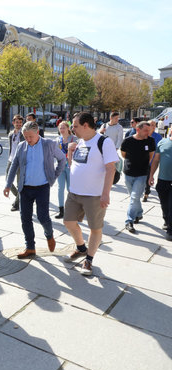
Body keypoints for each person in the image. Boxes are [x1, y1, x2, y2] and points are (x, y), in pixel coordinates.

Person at [63, 112, 118, 275]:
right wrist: (70, 153)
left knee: (95, 228)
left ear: (85, 125)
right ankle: (81, 248)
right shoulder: (80, 142)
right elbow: (74, 165)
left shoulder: (103, 142)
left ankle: (89, 260)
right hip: (74, 192)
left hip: (94, 194)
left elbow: (111, 169)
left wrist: (106, 193)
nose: (72, 129)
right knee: (68, 222)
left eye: (75, 126)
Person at [3, 121, 65, 258]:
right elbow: (14, 166)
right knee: (25, 219)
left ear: (37, 133)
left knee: (43, 217)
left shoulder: (49, 144)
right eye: (25, 136)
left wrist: (54, 176)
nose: (28, 139)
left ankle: (49, 235)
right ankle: (30, 247)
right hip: (25, 189)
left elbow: (62, 159)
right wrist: (8, 184)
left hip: (42, 188)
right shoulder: (21, 146)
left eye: (30, 136)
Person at [120, 121, 155, 233]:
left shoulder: (150, 141)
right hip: (128, 173)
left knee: (134, 197)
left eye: (149, 131)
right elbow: (123, 154)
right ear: (138, 129)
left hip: (142, 174)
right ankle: (139, 213)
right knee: (133, 197)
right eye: (145, 130)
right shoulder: (128, 141)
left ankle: (128, 221)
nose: (148, 133)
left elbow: (151, 156)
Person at [149, 129, 172, 241]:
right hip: (163, 180)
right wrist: (151, 175)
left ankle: (170, 230)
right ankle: (167, 221)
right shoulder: (162, 142)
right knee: (164, 204)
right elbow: (156, 160)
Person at [55, 121, 78, 219]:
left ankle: (72, 209)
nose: (62, 130)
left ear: (68, 128)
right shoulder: (57, 139)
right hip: (60, 166)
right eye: (60, 128)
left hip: (71, 166)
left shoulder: (74, 139)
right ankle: (61, 209)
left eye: (63, 127)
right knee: (60, 188)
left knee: (70, 188)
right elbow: (54, 153)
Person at [6, 115, 24, 211]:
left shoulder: (24, 134)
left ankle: (17, 204)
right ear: (13, 123)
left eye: (20, 122)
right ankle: (20, 197)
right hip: (11, 159)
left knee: (19, 183)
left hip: (20, 162)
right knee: (7, 180)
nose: (19, 124)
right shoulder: (11, 134)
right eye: (17, 122)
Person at [143, 120, 163, 202]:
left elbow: (159, 149)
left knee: (148, 177)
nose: (154, 127)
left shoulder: (158, 137)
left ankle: (146, 193)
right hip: (141, 161)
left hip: (152, 161)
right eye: (152, 125)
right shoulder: (143, 134)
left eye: (155, 125)